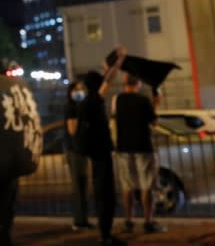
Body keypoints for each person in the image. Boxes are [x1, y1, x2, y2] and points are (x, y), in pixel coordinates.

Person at [74, 47, 127, 246]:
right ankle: (105, 236)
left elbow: (105, 80)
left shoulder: (86, 102)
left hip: (96, 154)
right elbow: (108, 80)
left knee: (101, 193)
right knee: (106, 195)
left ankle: (105, 234)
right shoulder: (94, 101)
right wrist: (118, 63)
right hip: (101, 154)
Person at [111, 74, 164, 234]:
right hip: (143, 147)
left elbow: (114, 118)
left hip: (123, 148)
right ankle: (148, 221)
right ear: (138, 83)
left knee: (127, 186)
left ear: (125, 83)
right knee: (146, 186)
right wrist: (155, 106)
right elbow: (154, 122)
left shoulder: (117, 100)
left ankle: (128, 220)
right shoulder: (143, 100)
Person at [64, 80, 93, 232]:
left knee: (83, 186)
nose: (80, 92)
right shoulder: (72, 108)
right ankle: (79, 221)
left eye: (82, 89)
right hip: (75, 151)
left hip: (80, 150)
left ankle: (84, 219)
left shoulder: (78, 107)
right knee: (78, 186)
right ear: (71, 92)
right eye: (77, 89)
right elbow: (72, 130)